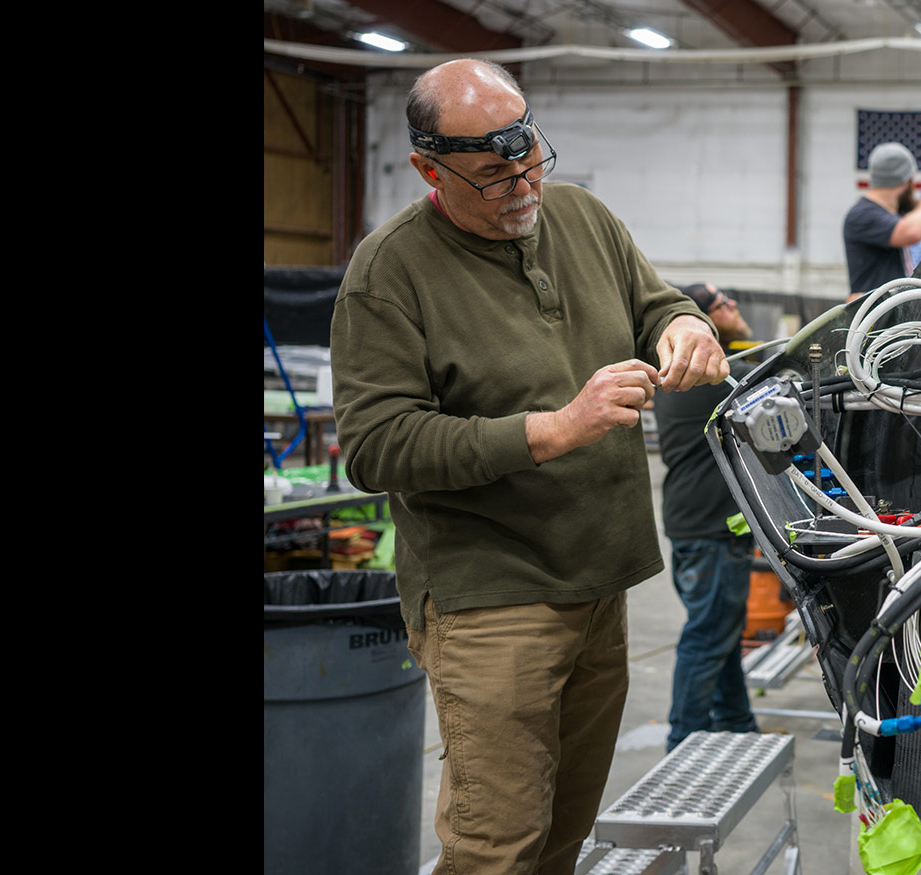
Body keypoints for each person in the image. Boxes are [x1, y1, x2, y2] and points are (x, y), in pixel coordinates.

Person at [329, 58, 729, 875]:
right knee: (494, 846)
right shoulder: (389, 273)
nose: (521, 186)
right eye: (491, 175)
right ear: (428, 169)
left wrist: (687, 325)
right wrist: (552, 429)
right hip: (492, 599)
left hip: (598, 582)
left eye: (529, 159)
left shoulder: (581, 214)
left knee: (559, 838)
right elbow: (376, 444)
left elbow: (654, 301)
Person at [654, 282, 762, 752]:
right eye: (721, 303)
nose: (734, 305)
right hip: (711, 529)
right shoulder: (710, 378)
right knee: (707, 637)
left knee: (720, 631)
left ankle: (738, 725)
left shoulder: (686, 374)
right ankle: (683, 745)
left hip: (696, 523)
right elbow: (771, 381)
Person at [843, 141, 921, 300]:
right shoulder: (861, 215)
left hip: (898, 314)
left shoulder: (895, 215)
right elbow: (912, 231)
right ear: (906, 180)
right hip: (875, 318)